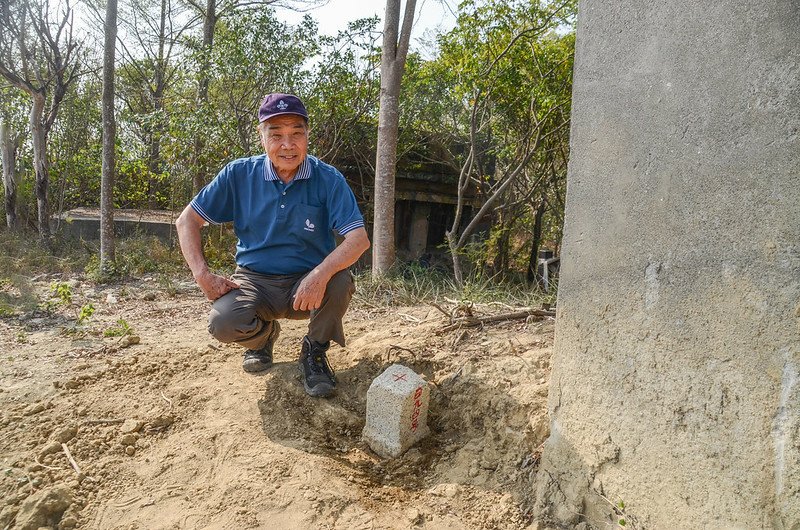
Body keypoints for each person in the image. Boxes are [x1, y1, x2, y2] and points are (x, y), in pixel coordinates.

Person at [175, 93, 370, 398]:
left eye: (296, 134)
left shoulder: (328, 179)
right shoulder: (238, 175)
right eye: (276, 135)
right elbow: (186, 221)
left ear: (308, 135)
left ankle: (314, 351)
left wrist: (318, 275)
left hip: (307, 284)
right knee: (224, 322)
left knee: (339, 280)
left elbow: (358, 239)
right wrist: (202, 275)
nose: (287, 145)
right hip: (255, 281)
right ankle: (263, 338)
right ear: (261, 136)